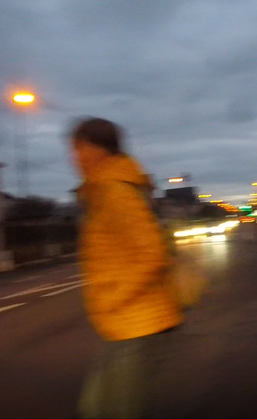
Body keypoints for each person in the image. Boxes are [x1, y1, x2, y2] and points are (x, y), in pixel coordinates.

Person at [71, 117, 183, 419]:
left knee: (110, 411)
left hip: (140, 321)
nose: (74, 157)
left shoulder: (115, 190)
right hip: (125, 323)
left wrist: (115, 296)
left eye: (78, 148)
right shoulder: (103, 190)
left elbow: (152, 253)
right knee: (97, 408)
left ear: (97, 149)